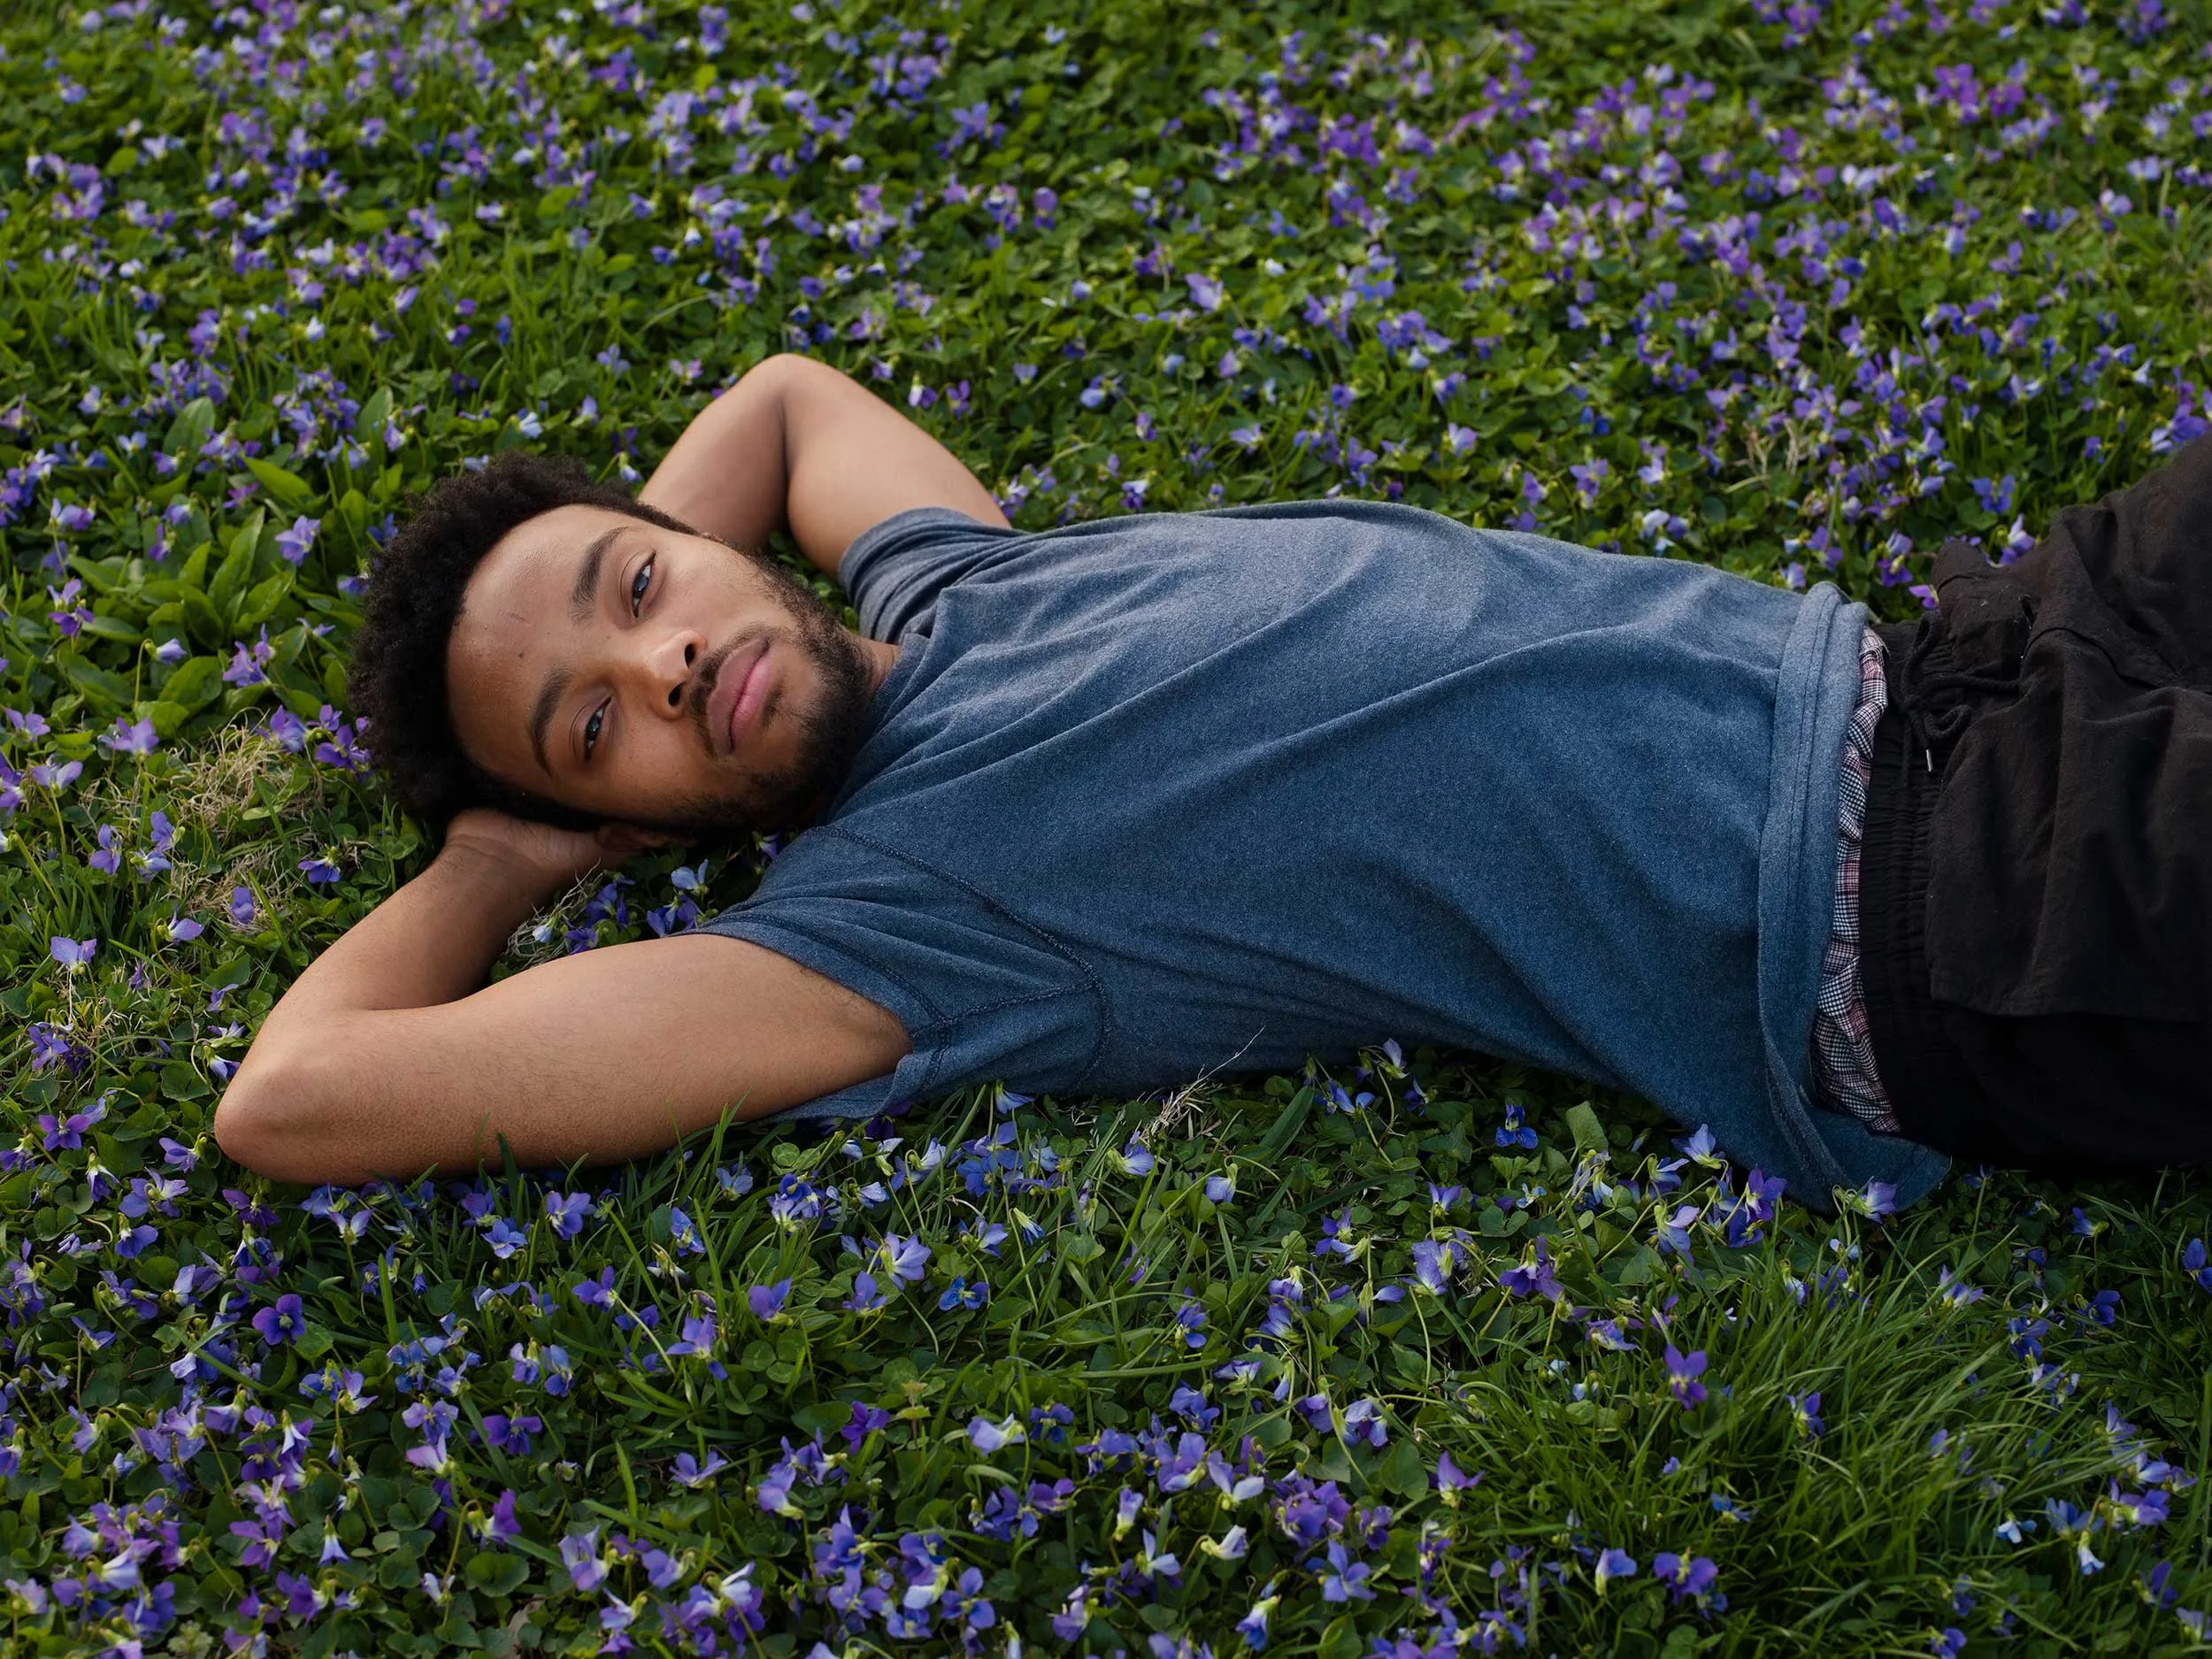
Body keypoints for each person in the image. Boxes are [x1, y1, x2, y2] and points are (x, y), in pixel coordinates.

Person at [211, 352, 2211, 1211]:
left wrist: (630, 571)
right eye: (596, 723)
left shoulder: (953, 573)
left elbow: (783, 403)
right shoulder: (868, 937)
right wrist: (503, 853)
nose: (661, 663)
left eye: (635, 586)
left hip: (1972, 643)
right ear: (626, 816)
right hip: (1953, 908)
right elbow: (294, 1101)